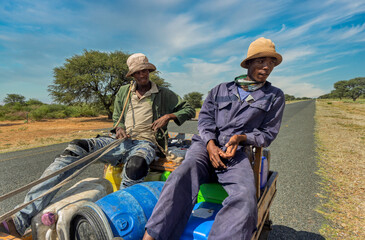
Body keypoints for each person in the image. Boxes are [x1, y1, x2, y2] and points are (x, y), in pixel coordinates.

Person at [0, 53, 195, 237]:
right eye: (138, 72)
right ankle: (19, 220)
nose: (142, 74)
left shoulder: (163, 93)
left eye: (145, 70)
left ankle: (119, 220)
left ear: (149, 71)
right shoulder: (124, 92)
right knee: (76, 148)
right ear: (133, 74)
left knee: (136, 166)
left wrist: (169, 116)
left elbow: (188, 109)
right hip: (121, 141)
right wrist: (118, 130)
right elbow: (117, 120)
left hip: (146, 143)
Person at [143, 37, 286, 240]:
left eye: (271, 62)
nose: (266, 67)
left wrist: (241, 138)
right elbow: (205, 120)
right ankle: (152, 237)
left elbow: (267, 134)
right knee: (180, 176)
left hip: (235, 153)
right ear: (248, 63)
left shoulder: (274, 96)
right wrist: (210, 144)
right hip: (204, 146)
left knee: (245, 197)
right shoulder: (220, 89)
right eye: (261, 61)